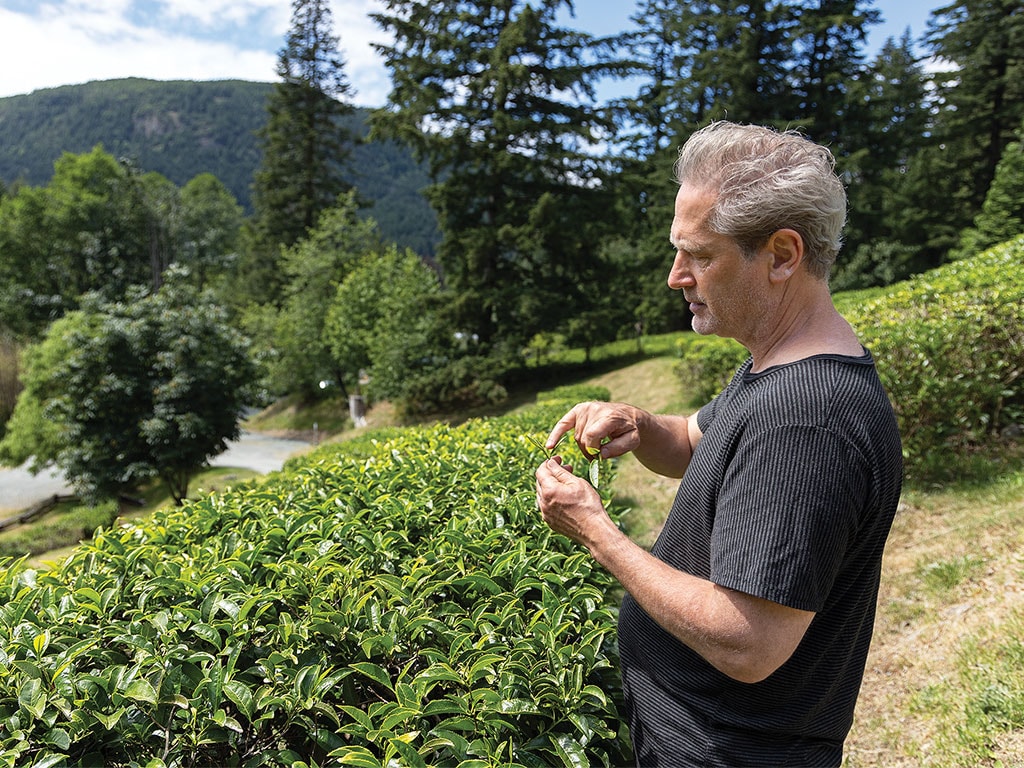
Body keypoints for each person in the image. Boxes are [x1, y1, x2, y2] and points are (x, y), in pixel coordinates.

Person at [534, 121, 903, 767]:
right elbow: (692, 441)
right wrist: (640, 424)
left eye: (700, 255)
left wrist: (595, 531)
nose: (676, 276)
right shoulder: (778, 369)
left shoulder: (804, 419)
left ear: (783, 255)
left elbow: (749, 643)